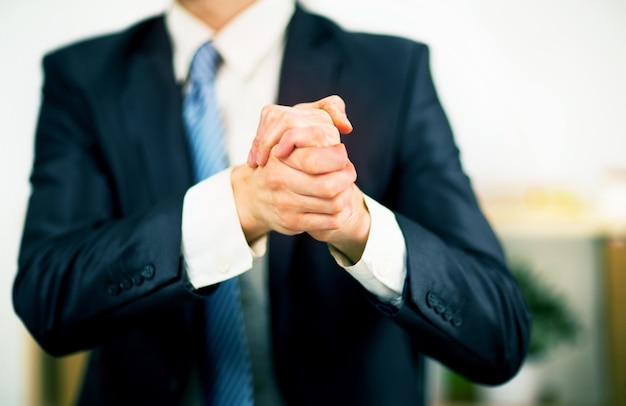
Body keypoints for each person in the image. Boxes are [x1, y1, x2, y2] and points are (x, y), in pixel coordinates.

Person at [13, 0, 531, 404]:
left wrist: (354, 221)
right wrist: (235, 207)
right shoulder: (81, 76)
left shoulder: (393, 70)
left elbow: (498, 333)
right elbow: (48, 300)